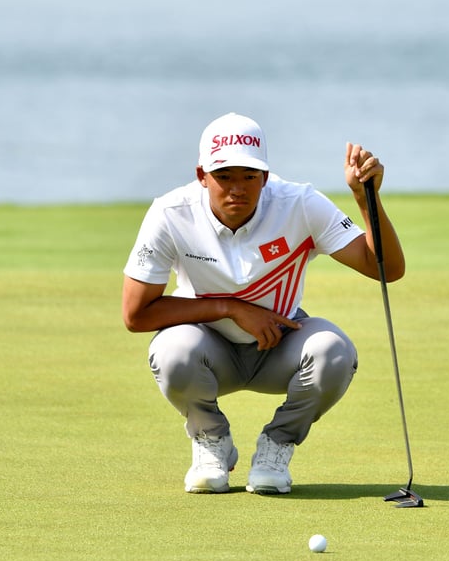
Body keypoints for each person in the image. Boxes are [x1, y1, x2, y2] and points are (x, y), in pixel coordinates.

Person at [121, 112, 405, 495]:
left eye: (249, 176)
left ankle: (277, 444)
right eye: (224, 177)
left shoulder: (299, 204)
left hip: (281, 348)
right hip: (207, 350)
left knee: (333, 352)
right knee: (172, 351)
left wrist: (364, 197)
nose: (237, 188)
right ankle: (211, 440)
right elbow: (136, 314)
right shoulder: (171, 214)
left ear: (266, 177)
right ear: (201, 175)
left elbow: (385, 269)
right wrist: (231, 308)